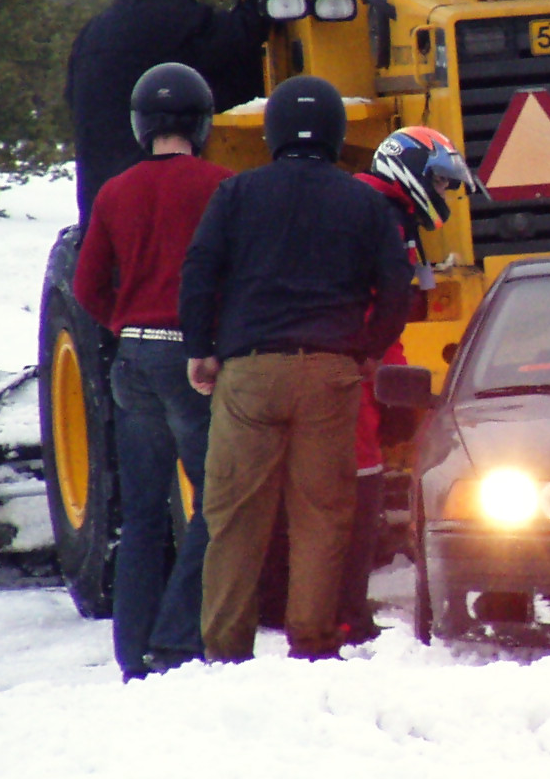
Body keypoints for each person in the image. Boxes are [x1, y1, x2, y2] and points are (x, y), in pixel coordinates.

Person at [180, 75, 413, 662]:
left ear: (272, 132)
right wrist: (368, 349)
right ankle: (312, 642)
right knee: (322, 516)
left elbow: (200, 270)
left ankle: (226, 649)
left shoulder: (236, 194)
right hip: (331, 374)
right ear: (337, 134)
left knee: (234, 517)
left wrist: (200, 347)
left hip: (250, 374)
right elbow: (395, 285)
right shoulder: (363, 201)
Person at [71, 63, 232, 680]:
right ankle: (175, 638)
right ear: (202, 121)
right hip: (195, 360)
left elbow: (88, 286)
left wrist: (124, 324)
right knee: (215, 504)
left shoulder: (114, 191)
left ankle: (131, 652)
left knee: (140, 518)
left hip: (133, 357)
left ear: (141, 125)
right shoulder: (221, 185)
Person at [339, 127, 477, 643]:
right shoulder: (379, 217)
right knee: (358, 492)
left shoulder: (378, 210)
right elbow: (384, 308)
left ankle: (341, 611)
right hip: (357, 371)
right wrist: (386, 376)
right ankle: (345, 615)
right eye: (439, 183)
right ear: (410, 172)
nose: (442, 195)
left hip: (356, 365)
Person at [65, 0, 276, 222]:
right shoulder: (176, 15)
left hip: (99, 198)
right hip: (156, 196)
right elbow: (241, 35)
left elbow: (71, 97)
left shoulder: (93, 31)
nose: (190, 0)